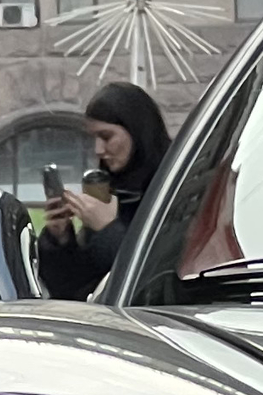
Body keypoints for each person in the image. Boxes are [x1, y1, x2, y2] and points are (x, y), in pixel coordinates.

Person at [36, 82, 172, 299]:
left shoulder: (173, 186)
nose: (99, 150)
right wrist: (60, 240)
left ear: (136, 132)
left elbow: (158, 279)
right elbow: (74, 287)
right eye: (94, 138)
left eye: (107, 137)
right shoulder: (109, 187)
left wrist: (108, 228)